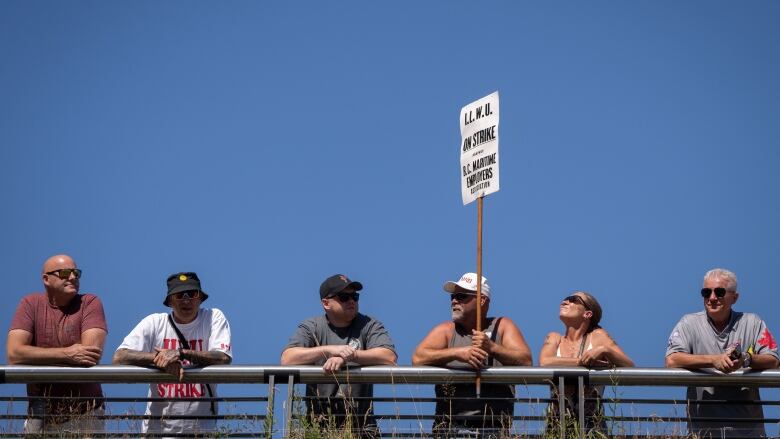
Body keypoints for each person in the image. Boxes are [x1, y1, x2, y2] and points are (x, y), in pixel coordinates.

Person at [412, 272, 533, 438]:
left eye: (461, 296)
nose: (454, 301)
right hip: (450, 429)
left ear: (482, 301)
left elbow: (526, 361)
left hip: (494, 429)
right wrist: (458, 353)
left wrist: (492, 348)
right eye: (453, 297)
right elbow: (418, 358)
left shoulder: (502, 326)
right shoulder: (446, 330)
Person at [113, 271, 232, 436]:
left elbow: (223, 357)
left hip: (202, 430)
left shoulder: (213, 318)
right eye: (179, 295)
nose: (186, 300)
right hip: (157, 431)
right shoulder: (155, 323)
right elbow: (119, 357)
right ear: (170, 301)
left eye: (191, 293)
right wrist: (159, 359)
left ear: (200, 297)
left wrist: (180, 353)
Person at [666, 268, 779, 438]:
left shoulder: (752, 322)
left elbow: (773, 360)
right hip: (703, 432)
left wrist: (745, 359)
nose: (712, 298)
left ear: (735, 297)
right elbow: (672, 360)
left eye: (719, 292)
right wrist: (714, 360)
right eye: (706, 292)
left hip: (748, 432)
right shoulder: (688, 323)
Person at [281, 274, 397, 438]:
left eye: (355, 296)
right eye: (344, 297)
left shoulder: (369, 324)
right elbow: (288, 358)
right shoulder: (312, 327)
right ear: (326, 303)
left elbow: (389, 356)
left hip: (362, 428)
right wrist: (330, 350)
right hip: (319, 428)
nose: (352, 301)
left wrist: (350, 355)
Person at [6, 254, 107, 437]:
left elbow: (89, 355)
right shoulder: (30, 304)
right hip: (40, 414)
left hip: (86, 413)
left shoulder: (89, 303)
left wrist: (35, 357)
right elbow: (14, 353)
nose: (73, 277)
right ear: (46, 279)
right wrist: (68, 353)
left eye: (76, 273)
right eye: (65, 273)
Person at [538, 291, 634, 434]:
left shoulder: (597, 337)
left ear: (587, 314)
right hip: (557, 426)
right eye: (565, 299)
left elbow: (629, 365)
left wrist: (605, 350)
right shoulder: (554, 337)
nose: (564, 302)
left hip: (592, 427)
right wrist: (583, 363)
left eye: (573, 300)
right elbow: (545, 362)